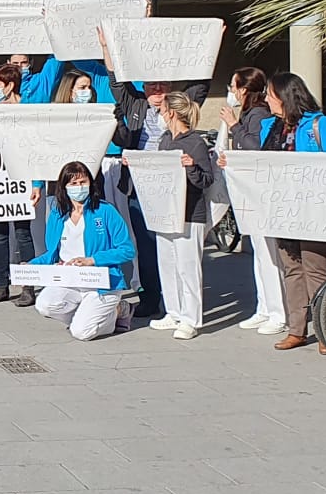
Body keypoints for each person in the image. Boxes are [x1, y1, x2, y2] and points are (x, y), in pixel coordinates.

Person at [219, 73, 326, 352]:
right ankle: (297, 329)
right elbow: (260, 161)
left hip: (313, 210)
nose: (267, 100)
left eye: (272, 95)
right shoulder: (269, 127)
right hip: (281, 210)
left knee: (315, 269)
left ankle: (325, 332)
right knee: (291, 270)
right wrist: (234, 163)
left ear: (286, 97)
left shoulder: (321, 125)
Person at [138, 94, 217, 341]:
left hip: (189, 213)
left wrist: (191, 165)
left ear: (171, 112)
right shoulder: (164, 140)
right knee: (168, 265)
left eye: (161, 110)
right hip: (165, 211)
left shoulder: (195, 143)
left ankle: (191, 318)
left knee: (188, 267)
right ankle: (173, 311)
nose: (159, 115)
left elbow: (206, 180)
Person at [32, 162, 135, 341]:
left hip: (101, 282)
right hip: (69, 279)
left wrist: (93, 260)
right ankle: (87, 316)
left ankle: (117, 311)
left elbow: (127, 250)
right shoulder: (58, 214)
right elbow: (51, 253)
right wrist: (28, 268)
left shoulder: (105, 211)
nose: (79, 187)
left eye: (83, 182)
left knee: (82, 333)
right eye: (73, 183)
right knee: (44, 304)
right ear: (64, 187)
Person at [219, 67, 286, 336]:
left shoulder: (257, 114)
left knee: (268, 254)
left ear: (244, 90)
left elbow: (255, 147)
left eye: (233, 86)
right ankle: (264, 307)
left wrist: (234, 125)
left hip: (261, 191)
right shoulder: (250, 112)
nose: (231, 92)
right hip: (251, 190)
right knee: (259, 252)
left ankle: (278, 311)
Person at [0, 64, 42, 306]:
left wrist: (36, 184)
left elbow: (36, 148)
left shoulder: (28, 110)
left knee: (22, 234)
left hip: (22, 179)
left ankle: (28, 286)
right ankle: (2, 284)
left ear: (10, 85)